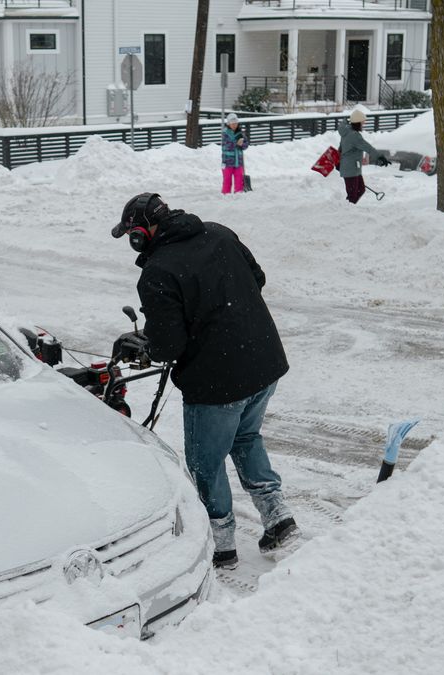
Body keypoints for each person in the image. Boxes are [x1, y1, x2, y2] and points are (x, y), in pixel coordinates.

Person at [110, 193, 298, 569]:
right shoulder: (219, 233)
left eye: (132, 233)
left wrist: (155, 340)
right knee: (246, 438)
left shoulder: (158, 272)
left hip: (217, 382)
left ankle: (220, 543)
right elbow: (257, 278)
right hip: (263, 363)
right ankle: (278, 517)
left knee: (205, 462)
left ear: (142, 233)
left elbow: (167, 345)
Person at [338, 109, 390, 204]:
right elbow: (367, 147)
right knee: (352, 195)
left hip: (352, 167)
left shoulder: (347, 131)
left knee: (360, 190)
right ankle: (347, 212)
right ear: (357, 123)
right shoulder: (354, 136)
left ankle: (349, 208)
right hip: (350, 168)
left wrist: (339, 163)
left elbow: (341, 147)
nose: (363, 124)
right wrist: (380, 157)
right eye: (362, 122)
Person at [220, 113, 249, 195]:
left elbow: (245, 145)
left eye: (236, 123)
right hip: (227, 161)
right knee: (227, 179)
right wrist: (237, 143)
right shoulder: (225, 133)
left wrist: (242, 144)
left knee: (239, 178)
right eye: (232, 123)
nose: (234, 125)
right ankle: (226, 194)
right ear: (229, 124)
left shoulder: (240, 133)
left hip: (238, 161)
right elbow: (226, 145)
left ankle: (239, 193)